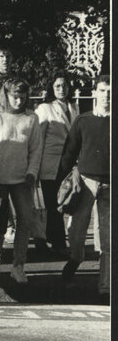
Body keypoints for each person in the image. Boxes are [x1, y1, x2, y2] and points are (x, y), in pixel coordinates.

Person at [0, 77, 44, 283]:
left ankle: (19, 265)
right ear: (6, 95)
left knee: (25, 220)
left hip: (22, 179)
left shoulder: (31, 118)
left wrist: (32, 172)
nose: (19, 101)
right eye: (15, 97)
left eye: (23, 97)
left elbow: (36, 149)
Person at [56, 75, 110, 300]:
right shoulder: (83, 121)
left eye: (111, 91)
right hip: (85, 183)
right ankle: (75, 259)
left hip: (110, 185)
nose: (107, 95)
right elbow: (69, 152)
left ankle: (105, 286)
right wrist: (61, 180)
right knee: (76, 232)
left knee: (107, 237)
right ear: (94, 92)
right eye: (102, 90)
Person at [34, 71, 78, 254]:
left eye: (65, 85)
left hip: (68, 163)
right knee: (51, 203)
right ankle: (55, 242)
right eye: (57, 86)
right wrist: (35, 166)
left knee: (64, 201)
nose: (62, 89)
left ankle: (56, 240)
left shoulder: (74, 107)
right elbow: (38, 139)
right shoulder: (45, 109)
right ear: (51, 88)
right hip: (50, 163)